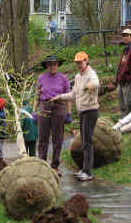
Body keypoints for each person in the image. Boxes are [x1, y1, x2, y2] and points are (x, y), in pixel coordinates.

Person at [51, 52, 99, 181]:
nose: (79, 65)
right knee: (84, 142)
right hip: (82, 112)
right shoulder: (78, 76)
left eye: (81, 62)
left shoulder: (91, 74)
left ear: (86, 61)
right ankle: (84, 169)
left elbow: (96, 83)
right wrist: (59, 97)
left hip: (91, 111)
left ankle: (88, 172)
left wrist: (89, 86)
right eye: (77, 62)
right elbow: (73, 94)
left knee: (87, 142)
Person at [35, 55, 71, 176]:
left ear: (58, 65)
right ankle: (42, 164)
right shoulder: (41, 78)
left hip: (59, 107)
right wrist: (35, 111)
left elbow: (69, 97)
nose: (52, 66)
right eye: (50, 64)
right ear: (46, 66)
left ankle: (55, 165)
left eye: (54, 64)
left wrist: (69, 113)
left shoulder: (63, 78)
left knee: (58, 138)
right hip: (44, 107)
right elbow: (37, 95)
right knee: (43, 137)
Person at [109, 29, 131, 118]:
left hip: (127, 82)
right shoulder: (126, 49)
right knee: (122, 105)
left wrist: (128, 79)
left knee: (130, 104)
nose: (125, 37)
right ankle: (124, 125)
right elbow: (121, 65)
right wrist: (117, 79)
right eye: (123, 36)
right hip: (121, 81)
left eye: (127, 35)